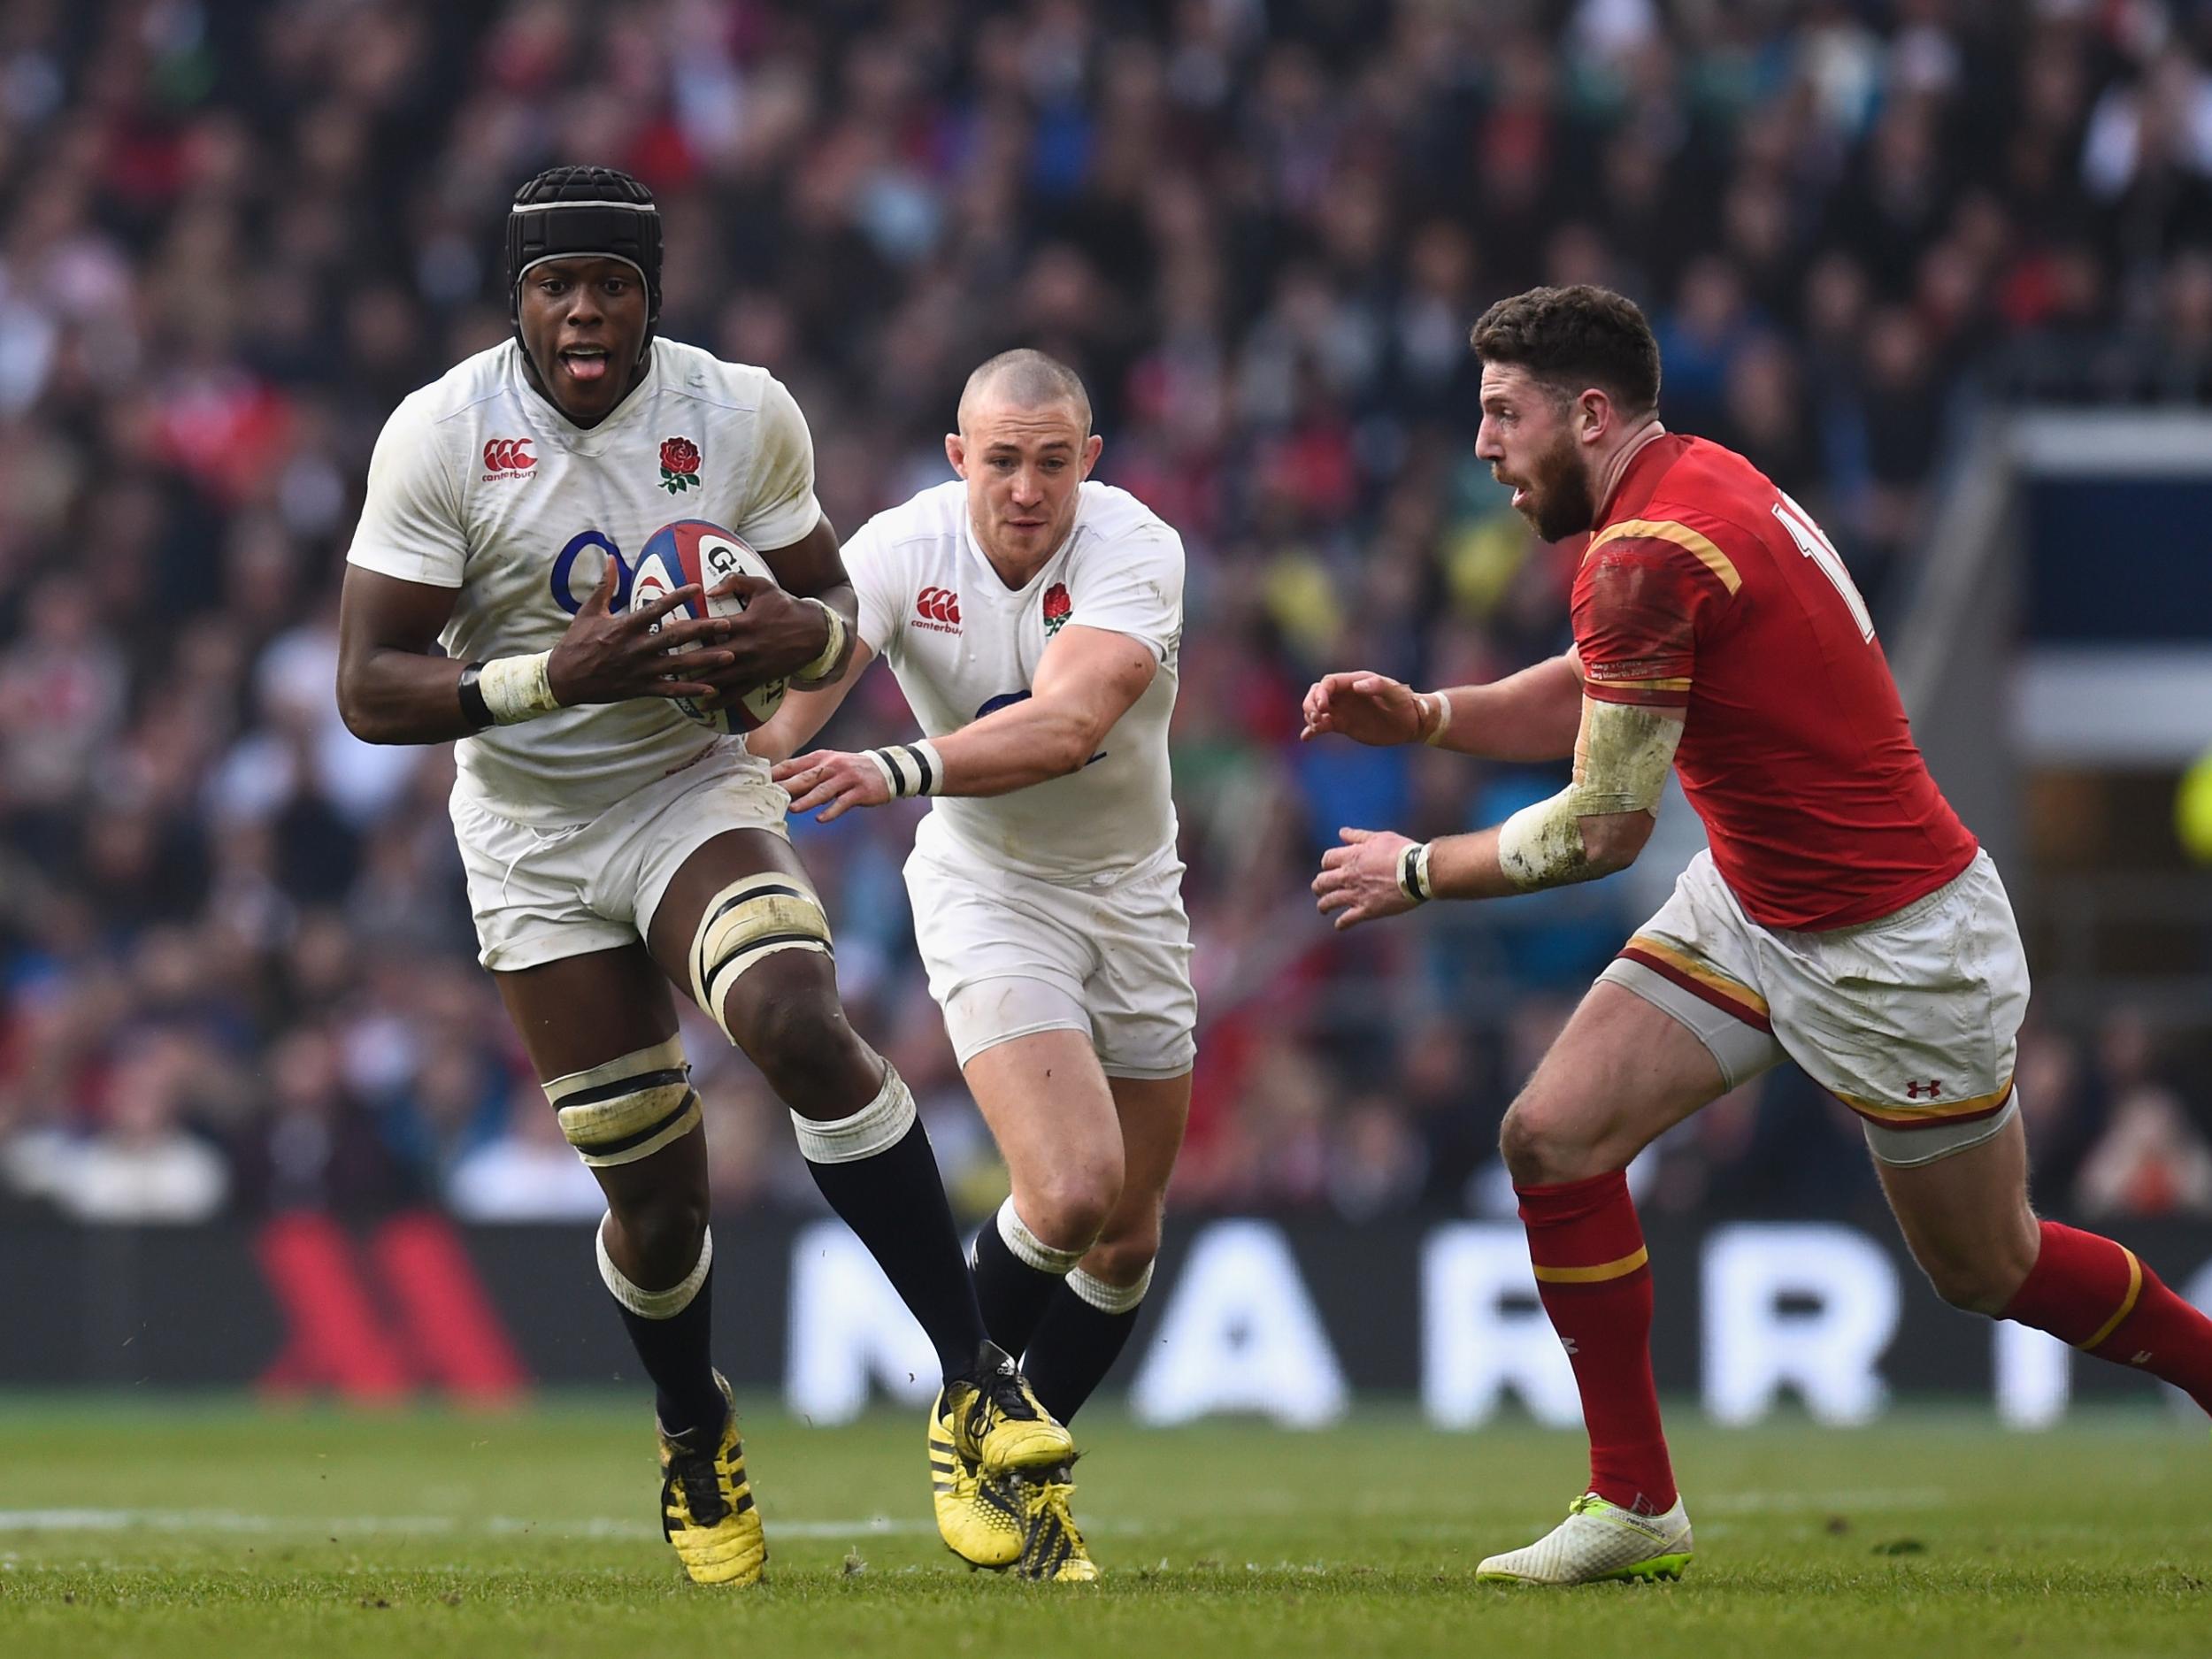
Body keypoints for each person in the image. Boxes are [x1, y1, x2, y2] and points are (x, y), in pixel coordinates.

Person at [1302, 284, 2212, 1586]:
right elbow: (1606, 684)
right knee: (1551, 1139)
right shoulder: (1691, 484)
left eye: (1506, 415)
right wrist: (1438, 716)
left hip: (1899, 948)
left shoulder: (1643, 556)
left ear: (1591, 413)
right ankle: (1633, 1503)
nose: (1485, 446)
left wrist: (1420, 869)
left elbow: (1604, 830)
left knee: (1986, 1265)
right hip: (1757, 902)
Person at [333, 166, 1070, 1589]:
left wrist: (792, 633)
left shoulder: (738, 412)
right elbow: (368, 685)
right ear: (520, 300)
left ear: (652, 295)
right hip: (536, 840)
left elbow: (834, 612)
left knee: (797, 1017)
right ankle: (691, 1427)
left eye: (613, 281)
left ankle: (975, 1370)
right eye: (558, 285)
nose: (586, 308)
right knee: (658, 1198)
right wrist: (557, 673)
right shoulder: (440, 434)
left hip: (689, 787)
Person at [751, 349, 1193, 1583]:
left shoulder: (1135, 547)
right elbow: (795, 705)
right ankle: (969, 1416)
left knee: (1127, 1240)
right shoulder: (899, 549)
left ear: (1089, 462)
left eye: (1054, 461)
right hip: (989, 890)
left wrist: (894, 766)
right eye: (1001, 460)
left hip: (1133, 893)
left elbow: (1071, 725)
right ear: (960, 460)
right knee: (1069, 1190)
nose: (1027, 487)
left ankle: (1021, 1478)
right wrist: (742, 734)